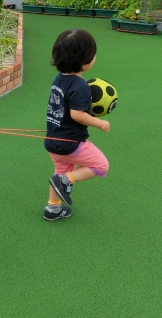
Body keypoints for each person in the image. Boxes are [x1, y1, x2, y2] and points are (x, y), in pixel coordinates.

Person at [43, 29, 110, 221]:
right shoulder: (80, 86)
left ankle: (53, 208)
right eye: (92, 54)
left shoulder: (59, 79)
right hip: (71, 143)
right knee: (101, 165)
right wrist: (100, 123)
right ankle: (66, 181)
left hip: (53, 141)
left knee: (60, 170)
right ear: (83, 60)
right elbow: (77, 114)